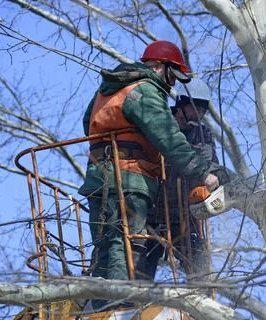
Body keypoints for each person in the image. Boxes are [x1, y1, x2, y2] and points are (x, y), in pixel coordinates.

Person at [78, 41, 219, 309]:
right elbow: (169, 139)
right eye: (171, 75)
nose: (172, 84)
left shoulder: (107, 90)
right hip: (130, 177)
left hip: (98, 175)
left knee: (104, 243)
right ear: (158, 66)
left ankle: (99, 302)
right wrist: (203, 172)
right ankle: (118, 303)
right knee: (126, 240)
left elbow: (89, 123)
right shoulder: (146, 91)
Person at [138, 78, 230, 282]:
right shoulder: (160, 124)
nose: (201, 113)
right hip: (152, 211)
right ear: (182, 105)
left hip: (185, 214)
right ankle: (132, 307)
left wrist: (223, 179)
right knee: (140, 272)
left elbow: (210, 165)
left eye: (204, 109)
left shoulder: (202, 134)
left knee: (200, 269)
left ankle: (202, 306)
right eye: (197, 108)